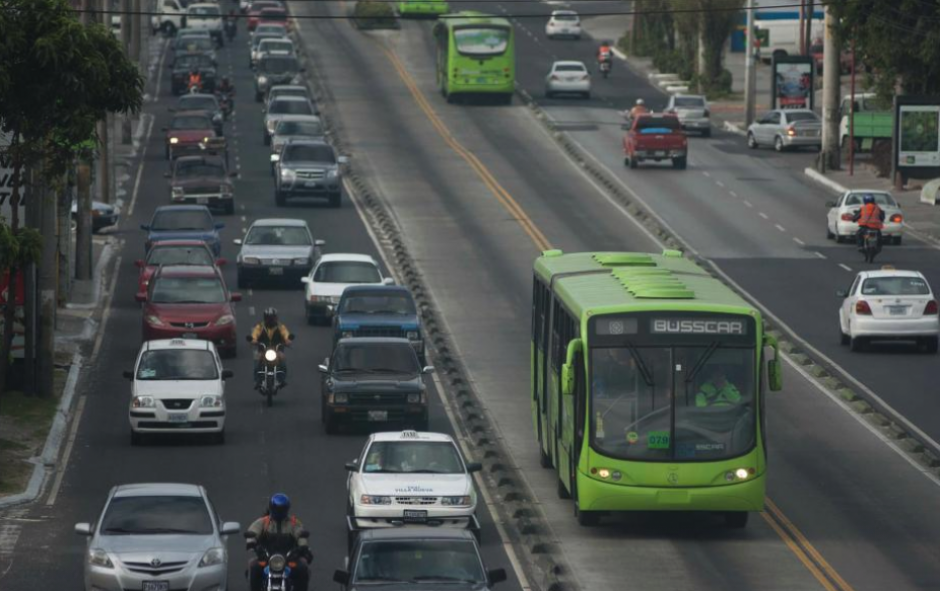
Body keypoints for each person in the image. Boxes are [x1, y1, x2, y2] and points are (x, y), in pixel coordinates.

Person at [246, 494, 312, 591]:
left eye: (282, 509)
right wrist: (253, 544)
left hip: (289, 557)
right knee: (254, 567)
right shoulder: (263, 522)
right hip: (266, 556)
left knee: (302, 567)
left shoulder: (293, 523)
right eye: (277, 509)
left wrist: (302, 547)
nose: (279, 511)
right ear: (271, 508)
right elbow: (252, 532)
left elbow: (300, 534)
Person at [250, 308, 292, 388]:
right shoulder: (260, 327)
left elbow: (286, 334)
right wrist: (253, 340)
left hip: (277, 350)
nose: (270, 320)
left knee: (282, 361)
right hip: (263, 350)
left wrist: (287, 340)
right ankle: (257, 380)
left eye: (272, 318)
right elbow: (254, 334)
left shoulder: (280, 327)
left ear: (276, 318)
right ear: (265, 318)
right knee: (257, 361)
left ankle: (282, 379)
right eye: (268, 318)